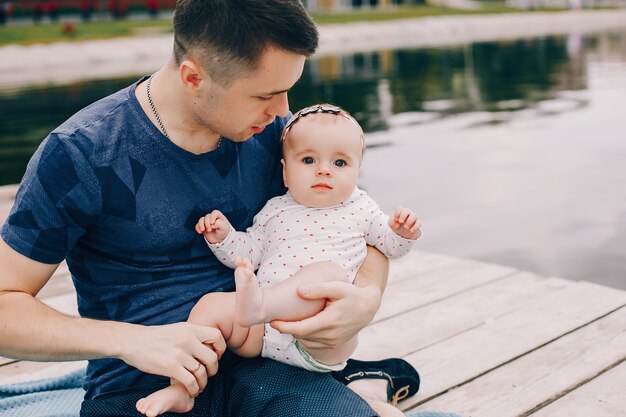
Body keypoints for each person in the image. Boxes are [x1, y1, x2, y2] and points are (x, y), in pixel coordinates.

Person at [0, 1, 419, 416]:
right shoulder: (80, 153)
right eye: (265, 95)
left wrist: (367, 295)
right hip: (141, 383)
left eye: (286, 90)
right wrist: (127, 340)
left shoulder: (276, 135)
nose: (282, 111)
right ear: (193, 77)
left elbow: (353, 219)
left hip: (268, 363)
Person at [136, 104, 421, 417]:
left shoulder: (362, 208)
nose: (323, 170)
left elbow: (390, 246)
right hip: (261, 335)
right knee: (210, 306)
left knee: (327, 274)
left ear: (357, 171)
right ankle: (182, 388)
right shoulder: (274, 210)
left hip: (319, 336)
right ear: (286, 171)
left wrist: (402, 232)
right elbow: (247, 253)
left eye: (340, 162)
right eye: (308, 160)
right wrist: (224, 236)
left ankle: (260, 304)